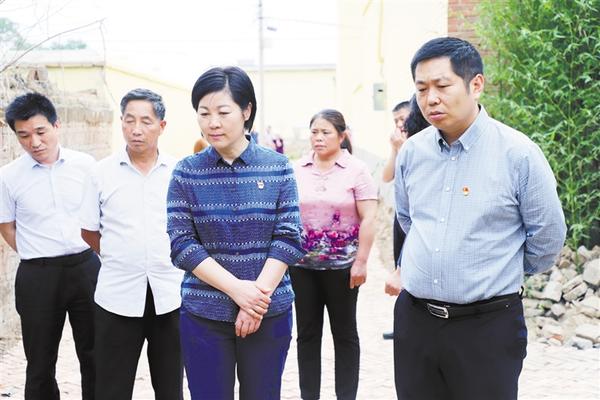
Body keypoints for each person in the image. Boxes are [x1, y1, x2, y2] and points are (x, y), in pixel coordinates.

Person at [389, 37, 566, 400]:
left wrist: (497, 268)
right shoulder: (412, 153)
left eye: (442, 86)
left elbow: (547, 237)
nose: (430, 99)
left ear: (476, 84)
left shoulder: (518, 154)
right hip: (416, 323)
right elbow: (408, 221)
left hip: (487, 327)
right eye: (422, 89)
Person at [167, 66, 305, 400]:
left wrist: (255, 301)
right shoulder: (186, 172)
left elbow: (288, 237)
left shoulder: (277, 167)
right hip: (204, 313)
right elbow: (182, 245)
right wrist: (238, 291)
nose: (212, 123)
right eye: (204, 113)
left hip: (269, 311)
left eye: (223, 112)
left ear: (246, 111)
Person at [80, 88, 184, 400]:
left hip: (170, 295)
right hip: (117, 296)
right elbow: (89, 231)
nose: (136, 129)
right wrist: (121, 255)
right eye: (129, 120)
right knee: (111, 388)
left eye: (146, 121)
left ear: (162, 126)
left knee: (170, 388)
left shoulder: (179, 172)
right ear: (121, 123)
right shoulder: (100, 173)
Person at [0, 93, 100, 400]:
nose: (34, 142)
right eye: (24, 135)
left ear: (57, 126)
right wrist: (36, 252)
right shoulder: (8, 177)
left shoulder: (86, 166)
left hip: (86, 268)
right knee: (40, 362)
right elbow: (7, 227)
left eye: (41, 131)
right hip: (38, 274)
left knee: (96, 355)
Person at [290, 109, 378, 400]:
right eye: (314, 132)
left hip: (343, 269)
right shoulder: (296, 168)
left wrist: (361, 261)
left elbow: (369, 217)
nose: (318, 138)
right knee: (307, 335)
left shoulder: (357, 170)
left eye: (325, 132)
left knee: (345, 334)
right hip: (302, 267)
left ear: (342, 136)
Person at [381, 100, 410, 340]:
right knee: (398, 268)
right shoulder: (400, 144)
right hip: (400, 217)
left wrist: (403, 148)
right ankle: (402, 322)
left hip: (416, 218)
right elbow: (387, 175)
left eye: (403, 118)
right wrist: (394, 149)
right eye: (396, 120)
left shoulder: (422, 144)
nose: (399, 124)